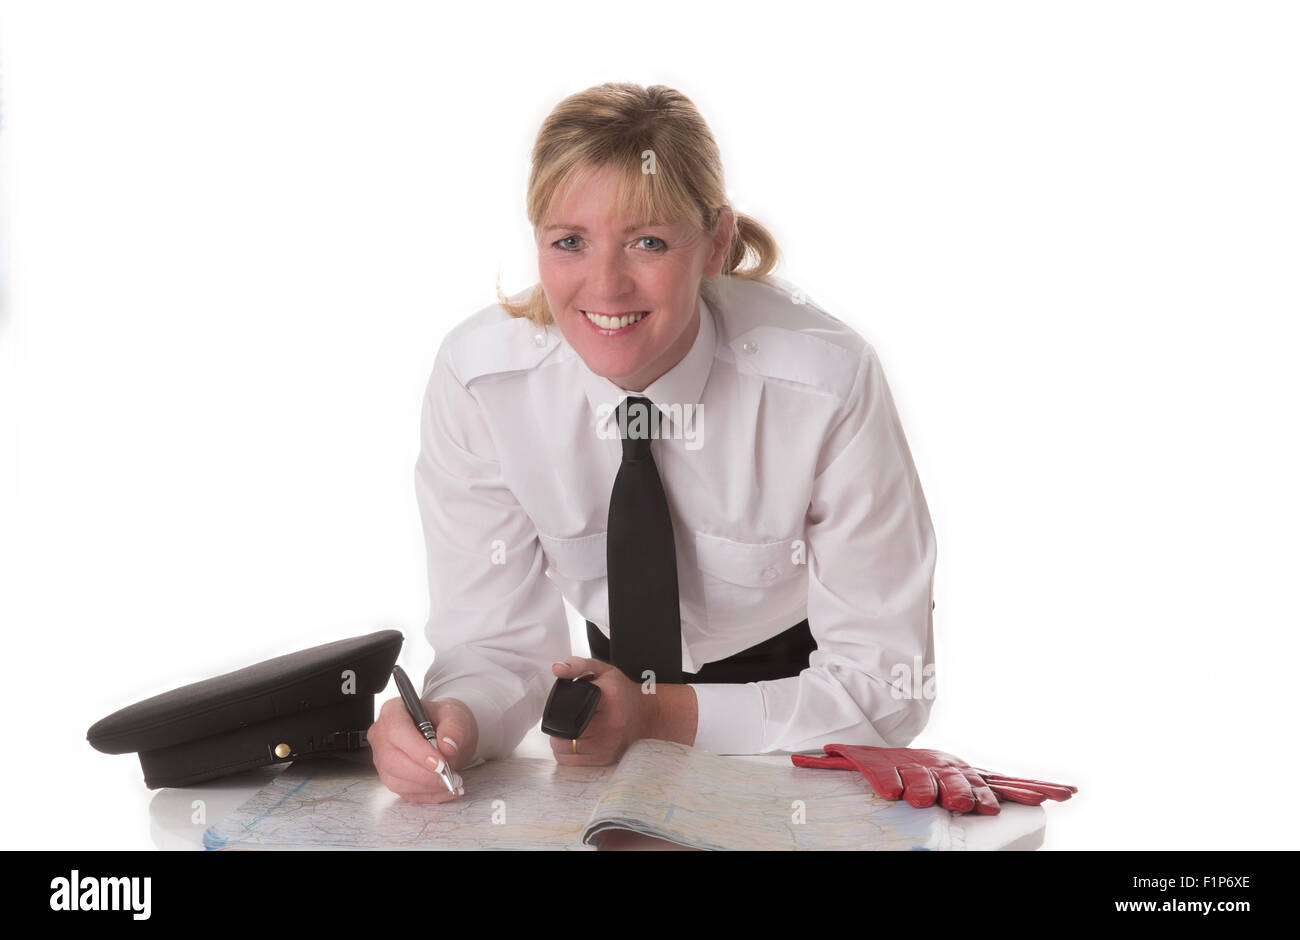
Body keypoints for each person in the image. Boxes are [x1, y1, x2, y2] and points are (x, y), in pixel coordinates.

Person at [368, 82, 937, 804]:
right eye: (569, 242)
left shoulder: (824, 385)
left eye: (648, 242)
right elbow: (495, 644)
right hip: (606, 714)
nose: (605, 286)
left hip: (800, 721)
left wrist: (659, 715)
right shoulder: (482, 382)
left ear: (716, 243)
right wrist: (458, 723)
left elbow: (887, 684)